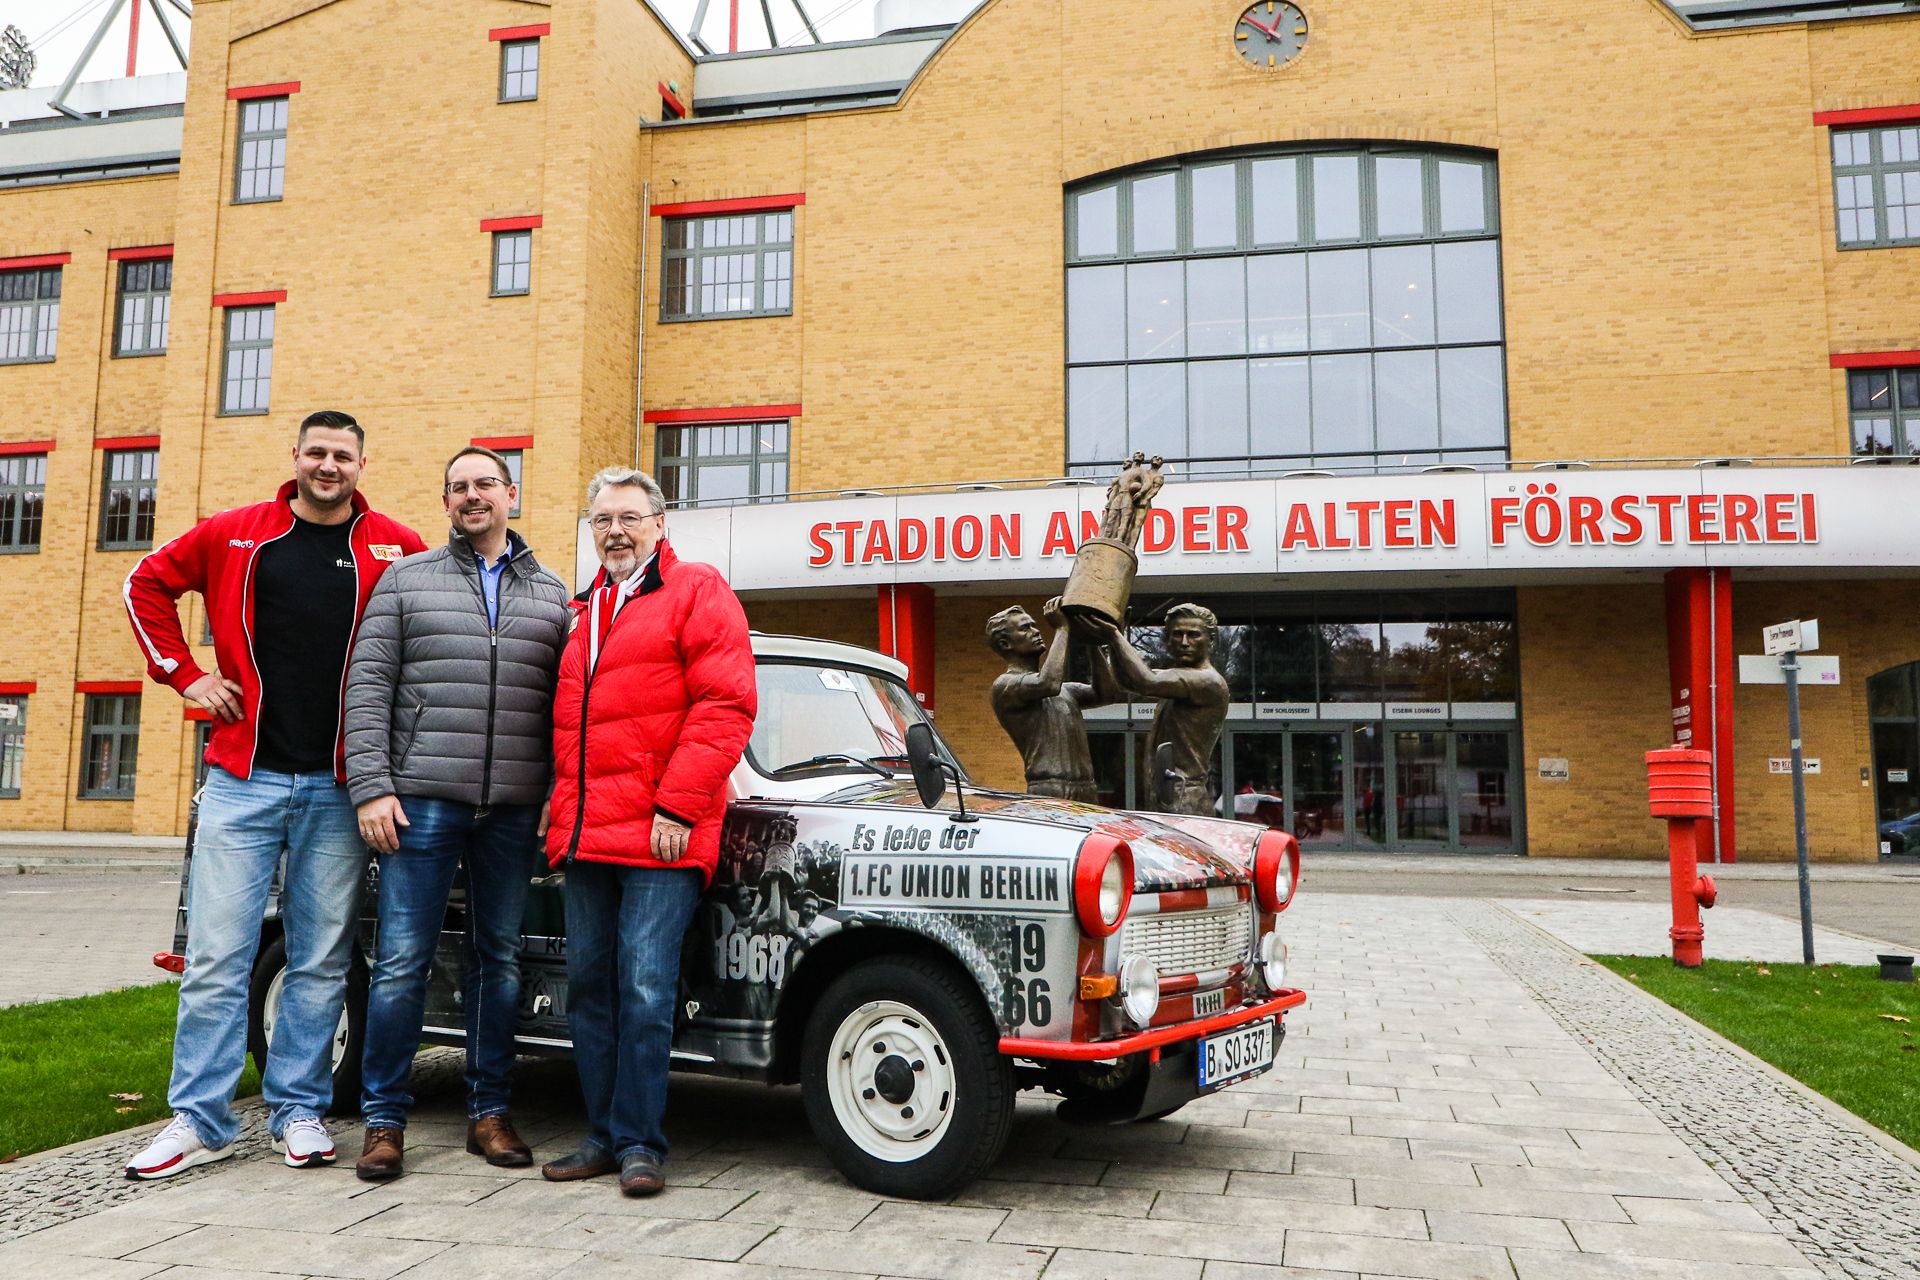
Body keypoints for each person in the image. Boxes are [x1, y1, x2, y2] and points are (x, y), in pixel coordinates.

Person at [121, 411, 425, 1179]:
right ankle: (199, 1120)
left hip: (340, 788)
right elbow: (144, 583)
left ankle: (298, 1112)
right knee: (216, 957)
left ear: (362, 464)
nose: (329, 465)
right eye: (316, 452)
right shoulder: (236, 534)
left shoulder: (396, 546)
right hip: (242, 779)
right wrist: (186, 674)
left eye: (343, 455)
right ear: (295, 457)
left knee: (320, 959)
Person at [343, 445, 571, 1181]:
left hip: (512, 809)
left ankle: (489, 1113)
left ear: (511, 495)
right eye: (458, 487)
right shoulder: (407, 579)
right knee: (401, 963)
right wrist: (372, 786)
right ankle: (384, 1122)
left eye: (485, 484)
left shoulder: (552, 594)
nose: (472, 496)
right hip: (421, 801)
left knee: (497, 960)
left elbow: (563, 707)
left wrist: (553, 793)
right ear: (445, 502)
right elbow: (367, 688)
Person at [540, 467, 756, 1196]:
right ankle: (601, 1135)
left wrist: (678, 807)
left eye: (630, 518)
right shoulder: (584, 609)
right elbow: (571, 725)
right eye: (602, 520)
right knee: (588, 989)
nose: (616, 532)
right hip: (587, 833)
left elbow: (726, 704)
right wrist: (556, 807)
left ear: (660, 525)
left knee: (643, 986)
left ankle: (640, 1143)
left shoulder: (696, 589)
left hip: (663, 832)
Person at [1083, 605, 1229, 816]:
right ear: (1168, 640)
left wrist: (1114, 635)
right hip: (1169, 791)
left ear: (1211, 640)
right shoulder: (1177, 677)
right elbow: (1128, 681)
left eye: (1193, 635)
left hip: (1184, 794)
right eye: (1177, 634)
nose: (1184, 642)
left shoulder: (1208, 680)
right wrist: (1111, 639)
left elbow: (1145, 681)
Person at [986, 597, 1120, 802]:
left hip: (1086, 787)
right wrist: (1062, 629)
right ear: (1006, 643)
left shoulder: (1065, 690)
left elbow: (1106, 694)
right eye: (1025, 628)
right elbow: (1048, 683)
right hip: (1050, 788)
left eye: (1034, 625)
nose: (1036, 631)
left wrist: (1091, 642)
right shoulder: (1005, 686)